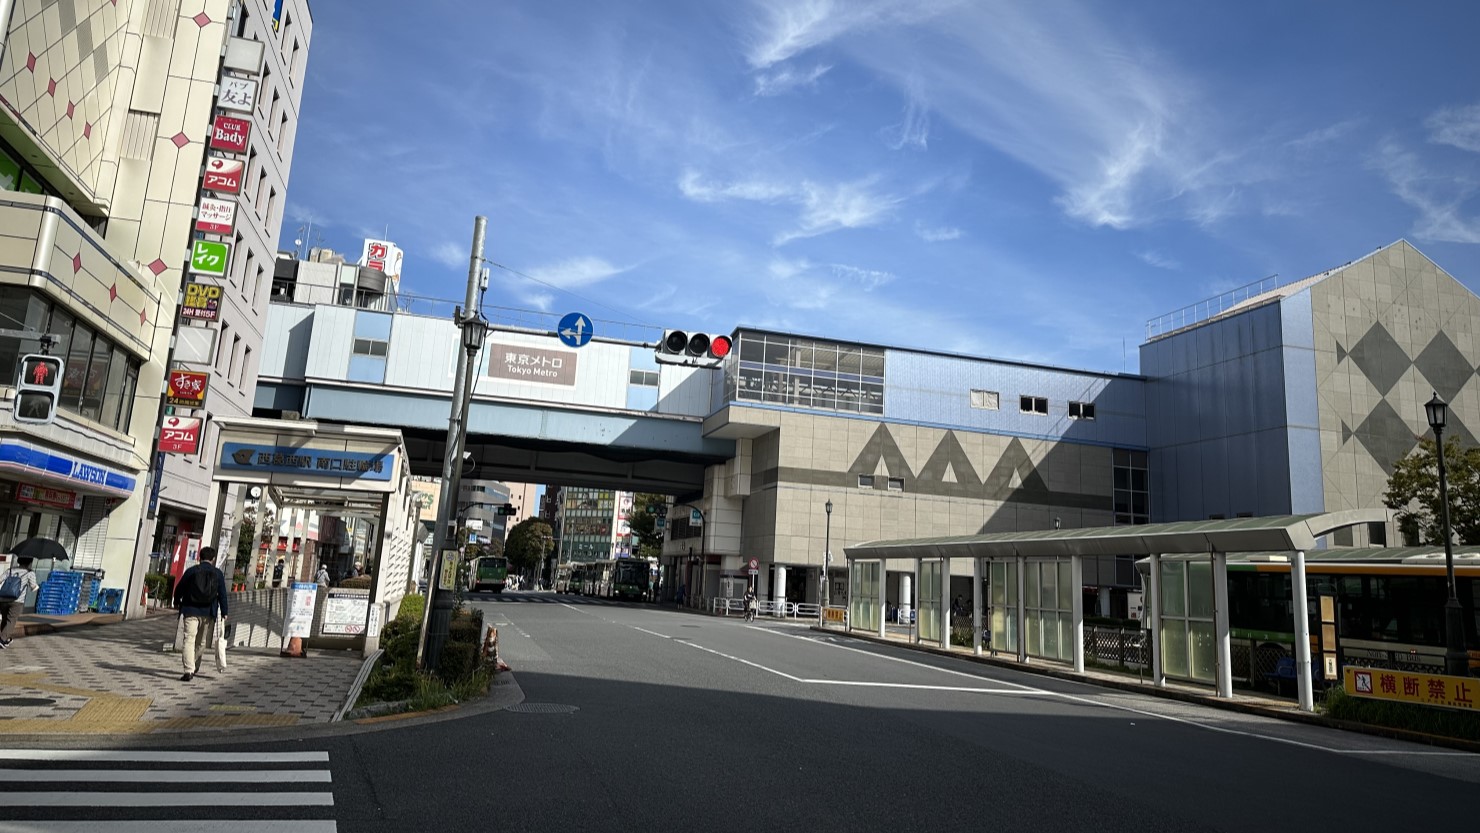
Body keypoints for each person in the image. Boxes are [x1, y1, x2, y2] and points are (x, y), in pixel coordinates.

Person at [173, 546, 228, 682]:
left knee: (188, 639)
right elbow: (222, 595)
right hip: (208, 612)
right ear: (213, 559)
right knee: (201, 642)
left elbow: (179, 588)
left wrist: (176, 601)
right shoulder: (218, 574)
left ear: (200, 557)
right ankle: (194, 665)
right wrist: (225, 612)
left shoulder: (191, 571)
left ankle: (188, 670)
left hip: (190, 609)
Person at [0, 557, 39, 648]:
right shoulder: (30, 573)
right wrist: (37, 587)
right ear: (30, 563)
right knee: (11, 620)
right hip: (17, 601)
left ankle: (6, 638)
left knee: (5, 619)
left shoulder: (10, 570)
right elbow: (33, 587)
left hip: (3, 599)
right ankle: (2, 639)